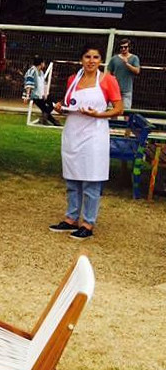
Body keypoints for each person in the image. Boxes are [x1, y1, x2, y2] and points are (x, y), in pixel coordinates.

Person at [50, 43, 123, 240]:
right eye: (87, 57)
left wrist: (98, 114)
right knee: (72, 178)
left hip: (94, 134)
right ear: (81, 59)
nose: (91, 61)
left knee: (91, 179)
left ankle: (88, 223)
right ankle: (71, 218)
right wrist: (61, 108)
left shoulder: (108, 80)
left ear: (101, 60)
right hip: (73, 133)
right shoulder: (73, 79)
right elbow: (70, 104)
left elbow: (118, 109)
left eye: (95, 57)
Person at [22, 55, 60, 126]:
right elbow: (28, 84)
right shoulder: (32, 71)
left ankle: (46, 118)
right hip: (35, 95)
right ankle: (53, 121)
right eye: (44, 63)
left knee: (51, 103)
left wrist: (45, 94)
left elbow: (44, 84)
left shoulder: (41, 72)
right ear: (41, 63)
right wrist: (27, 96)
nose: (44, 64)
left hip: (41, 94)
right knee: (46, 107)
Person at [105, 38, 140, 110]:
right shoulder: (114, 58)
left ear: (129, 47)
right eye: (121, 47)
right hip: (114, 89)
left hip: (127, 89)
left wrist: (127, 64)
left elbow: (137, 71)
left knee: (126, 110)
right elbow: (108, 72)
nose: (123, 49)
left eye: (125, 47)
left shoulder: (134, 58)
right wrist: (110, 80)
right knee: (112, 110)